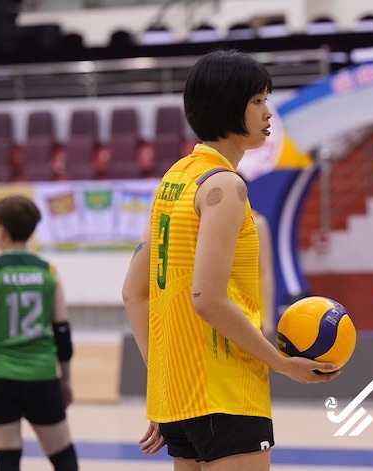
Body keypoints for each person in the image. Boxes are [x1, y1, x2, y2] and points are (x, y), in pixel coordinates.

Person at [121, 49, 338, 471]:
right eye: (257, 100)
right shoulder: (226, 186)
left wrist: (162, 387)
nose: (267, 111)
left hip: (180, 398)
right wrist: (283, 364)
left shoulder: (175, 179)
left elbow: (134, 292)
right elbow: (208, 298)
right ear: (227, 106)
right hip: (226, 389)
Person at [0, 195, 79, 471]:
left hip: (0, 377)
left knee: (7, 456)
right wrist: (66, 379)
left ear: (1, 230)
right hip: (42, 376)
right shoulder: (48, 271)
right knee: (63, 457)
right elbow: (62, 331)